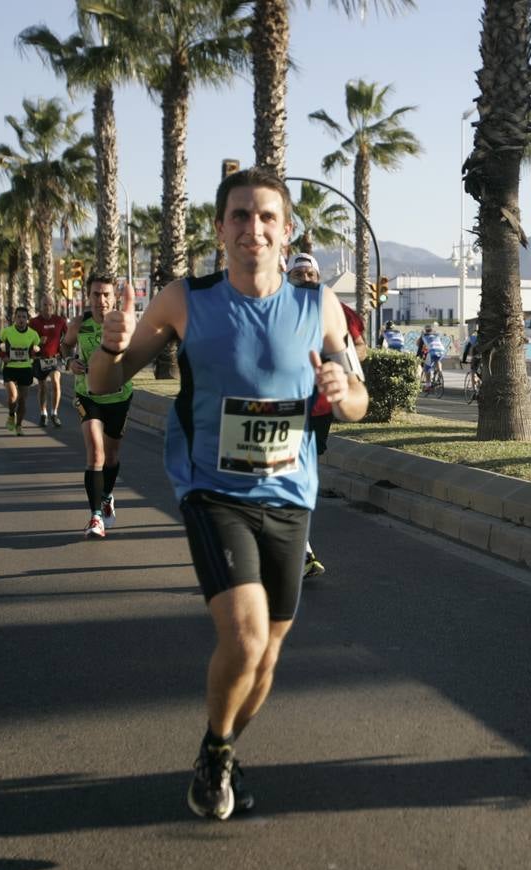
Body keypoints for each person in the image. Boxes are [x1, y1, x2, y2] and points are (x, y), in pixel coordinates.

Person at [88, 166, 367, 821]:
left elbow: (358, 398)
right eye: (239, 216)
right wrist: (109, 341)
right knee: (243, 640)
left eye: (267, 216)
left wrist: (340, 392)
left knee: (268, 654)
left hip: (290, 496)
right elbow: (105, 385)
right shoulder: (185, 300)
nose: (254, 228)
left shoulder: (318, 306)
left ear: (287, 229)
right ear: (219, 230)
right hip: (213, 491)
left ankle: (221, 748)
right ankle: (216, 753)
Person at [290, 251, 366, 577]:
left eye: (311, 274)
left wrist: (342, 367)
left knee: (303, 474)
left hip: (318, 407)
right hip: (276, 409)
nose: (306, 279)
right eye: (299, 274)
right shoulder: (268, 306)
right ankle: (299, 551)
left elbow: (358, 347)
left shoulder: (333, 307)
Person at [62, 274, 133, 539]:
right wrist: (70, 361)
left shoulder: (125, 324)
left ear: (114, 298)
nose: (100, 300)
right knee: (95, 452)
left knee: (112, 457)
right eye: (95, 294)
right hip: (87, 395)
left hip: (119, 397)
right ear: (88, 297)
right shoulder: (79, 324)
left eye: (105, 295)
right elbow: (65, 346)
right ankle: (95, 517)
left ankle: (107, 496)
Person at [0, 306, 41, 435]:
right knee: (13, 397)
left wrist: (35, 353)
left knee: (22, 400)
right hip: (9, 368)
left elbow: (38, 348)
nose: (21, 319)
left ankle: (19, 425)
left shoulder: (33, 334)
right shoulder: (6, 332)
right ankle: (11, 414)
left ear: (27, 319)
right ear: (14, 318)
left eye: (24, 317)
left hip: (26, 368)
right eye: (19, 317)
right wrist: (3, 356)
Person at [30, 298, 69, 427]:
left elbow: (68, 337)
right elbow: (28, 340)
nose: (47, 307)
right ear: (40, 306)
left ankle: (54, 413)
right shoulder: (34, 322)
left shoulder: (59, 321)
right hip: (40, 359)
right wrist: (38, 342)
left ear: (54, 306)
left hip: (55, 358)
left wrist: (67, 354)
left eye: (50, 305)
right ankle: (43, 413)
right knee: (42, 388)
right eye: (45, 305)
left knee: (56, 383)